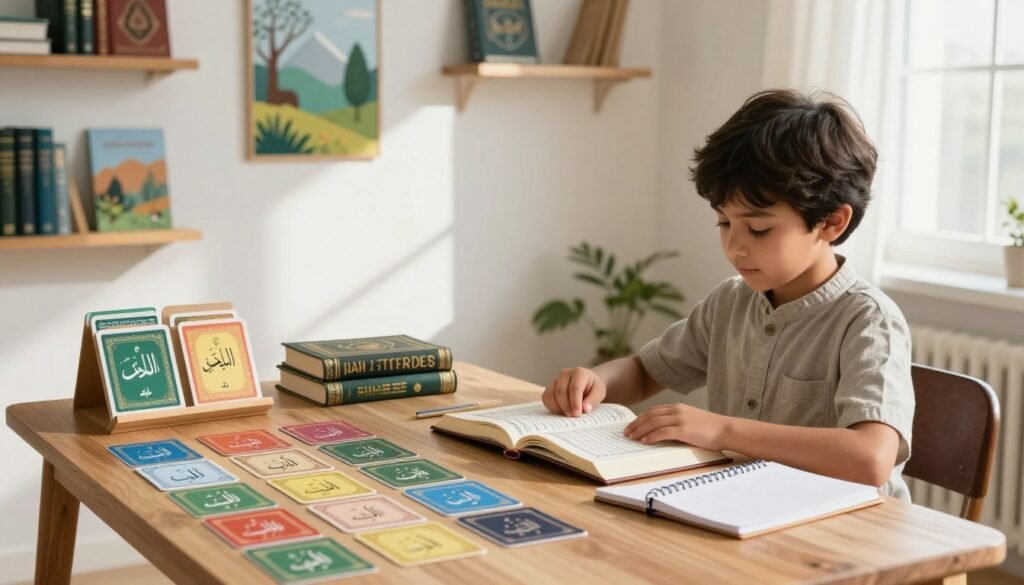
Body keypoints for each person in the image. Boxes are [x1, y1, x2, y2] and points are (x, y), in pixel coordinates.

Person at [541, 89, 914, 499]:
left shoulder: (868, 320)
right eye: (723, 223)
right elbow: (647, 372)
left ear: (831, 222)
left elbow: (870, 458)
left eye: (757, 229)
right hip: (745, 507)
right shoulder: (730, 303)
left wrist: (721, 430)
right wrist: (596, 381)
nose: (735, 247)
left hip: (844, 534)